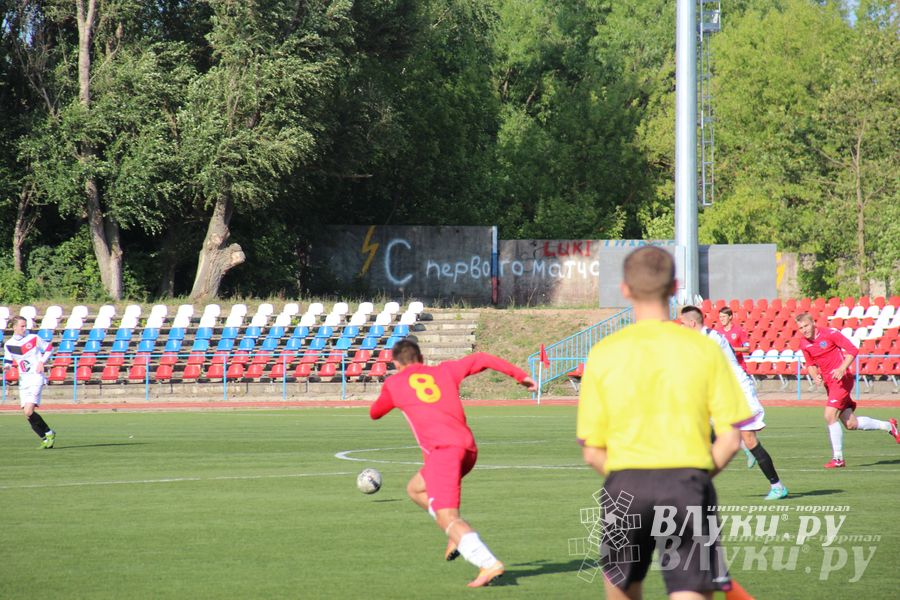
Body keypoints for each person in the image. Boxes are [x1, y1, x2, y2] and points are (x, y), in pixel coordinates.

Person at [578, 246, 753, 600]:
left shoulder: (604, 352)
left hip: (624, 486)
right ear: (674, 288)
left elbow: (593, 451)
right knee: (690, 590)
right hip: (686, 481)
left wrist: (629, 475)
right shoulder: (703, 349)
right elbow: (732, 438)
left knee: (623, 588)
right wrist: (697, 477)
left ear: (625, 289)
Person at [369, 340, 536, 588]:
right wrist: (519, 375)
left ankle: (487, 563)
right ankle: (458, 536)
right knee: (416, 489)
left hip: (442, 452)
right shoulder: (445, 371)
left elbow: (375, 413)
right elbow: (481, 358)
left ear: (396, 363)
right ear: (422, 357)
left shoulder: (394, 383)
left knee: (447, 517)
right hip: (467, 449)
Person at [681, 306, 788, 500]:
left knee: (749, 438)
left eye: (683, 323)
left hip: (740, 391)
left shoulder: (711, 340)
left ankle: (777, 486)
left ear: (692, 323)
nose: (682, 327)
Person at [795, 313, 899, 468]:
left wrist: (842, 368)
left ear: (813, 323)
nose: (804, 330)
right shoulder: (804, 343)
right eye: (801, 328)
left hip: (842, 380)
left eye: (806, 326)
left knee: (829, 416)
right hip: (829, 384)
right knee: (851, 424)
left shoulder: (830, 334)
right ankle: (888, 426)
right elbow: (810, 364)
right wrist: (815, 375)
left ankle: (838, 459)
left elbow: (852, 350)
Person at [3, 315, 56, 448]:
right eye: (22, 326)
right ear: (14, 327)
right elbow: (9, 361)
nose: (24, 328)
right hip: (24, 380)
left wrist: (41, 362)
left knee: (28, 411)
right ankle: (45, 437)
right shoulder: (9, 344)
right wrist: (6, 367)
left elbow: (49, 348)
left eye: (25, 325)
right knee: (28, 415)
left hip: (36, 377)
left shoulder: (33, 338)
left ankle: (49, 433)